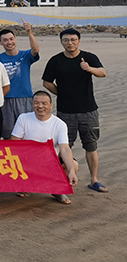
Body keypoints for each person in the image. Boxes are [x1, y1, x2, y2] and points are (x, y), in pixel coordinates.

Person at [42, 28, 108, 193]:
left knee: (91, 145)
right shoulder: (56, 60)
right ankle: (62, 179)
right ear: (61, 42)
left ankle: (94, 180)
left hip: (89, 110)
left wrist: (89, 69)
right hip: (65, 112)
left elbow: (102, 73)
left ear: (79, 41)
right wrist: (62, 93)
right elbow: (46, 82)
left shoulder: (89, 57)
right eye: (66, 40)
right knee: (64, 146)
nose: (70, 43)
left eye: (73, 40)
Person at [11, 91, 79, 204]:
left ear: (51, 105)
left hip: (50, 161)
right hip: (27, 159)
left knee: (74, 165)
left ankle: (57, 190)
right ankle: (26, 186)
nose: (40, 106)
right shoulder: (23, 118)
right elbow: (15, 141)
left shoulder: (59, 124)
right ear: (32, 104)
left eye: (44, 103)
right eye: (36, 103)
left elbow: (64, 148)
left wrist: (71, 171)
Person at [0, 20, 40, 139]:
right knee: (8, 132)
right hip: (6, 100)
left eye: (11, 39)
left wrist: (29, 32)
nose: (9, 42)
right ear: (0, 43)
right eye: (5, 40)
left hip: (25, 98)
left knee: (27, 131)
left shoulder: (25, 56)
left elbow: (35, 50)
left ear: (15, 39)